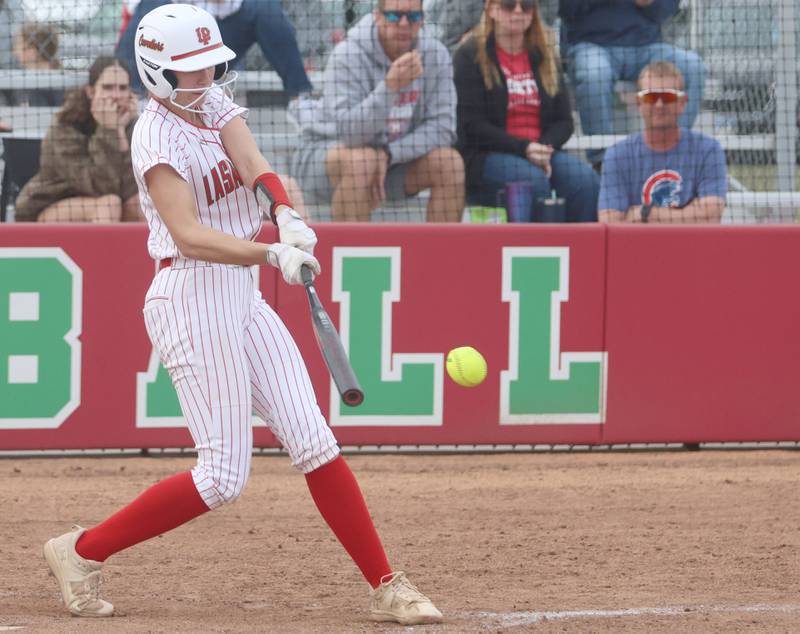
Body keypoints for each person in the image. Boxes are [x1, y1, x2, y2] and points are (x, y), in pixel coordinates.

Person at [42, 5, 443, 626]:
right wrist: (270, 252)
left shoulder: (212, 103)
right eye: (191, 69)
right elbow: (189, 234)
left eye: (210, 64)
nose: (205, 77)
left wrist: (284, 213)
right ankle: (81, 550)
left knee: (314, 441)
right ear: (156, 72)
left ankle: (387, 585)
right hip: (190, 297)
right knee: (223, 477)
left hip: (240, 293)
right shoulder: (154, 135)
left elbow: (254, 165)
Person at [292, 0, 465, 222]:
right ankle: (348, 245)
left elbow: (443, 128)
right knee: (362, 161)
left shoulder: (435, 55)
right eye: (394, 16)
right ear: (378, 16)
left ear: (422, 19)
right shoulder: (348, 54)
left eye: (413, 17)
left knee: (450, 163)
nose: (404, 24)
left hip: (393, 161)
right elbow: (350, 134)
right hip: (326, 156)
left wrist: (389, 153)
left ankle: (440, 247)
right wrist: (390, 88)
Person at [453, 0, 599, 222]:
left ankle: (578, 243)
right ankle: (538, 243)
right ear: (491, 9)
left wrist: (542, 148)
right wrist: (524, 148)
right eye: (508, 5)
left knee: (585, 181)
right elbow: (472, 126)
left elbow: (564, 122)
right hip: (488, 155)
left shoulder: (545, 53)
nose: (518, 11)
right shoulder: (469, 55)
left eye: (527, 5)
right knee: (532, 182)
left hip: (541, 150)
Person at [559, 0, 705, 168]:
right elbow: (566, 9)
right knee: (594, 74)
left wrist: (649, 3)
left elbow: (666, 11)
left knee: (693, 67)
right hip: (591, 46)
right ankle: (603, 162)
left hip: (647, 47)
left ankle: (671, 153)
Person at [14, 56, 142, 222]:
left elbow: (132, 188)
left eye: (123, 88)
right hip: (51, 206)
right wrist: (108, 131)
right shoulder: (65, 126)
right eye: (108, 87)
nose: (116, 95)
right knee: (109, 204)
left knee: (140, 204)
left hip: (108, 200)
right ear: (91, 92)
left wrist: (120, 133)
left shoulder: (131, 125)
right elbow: (99, 186)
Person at [598, 61, 726, 224]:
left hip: (688, 242)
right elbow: (609, 222)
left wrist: (645, 213)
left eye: (667, 97)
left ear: (682, 103)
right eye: (650, 97)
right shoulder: (617, 155)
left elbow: (710, 216)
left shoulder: (708, 149)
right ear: (639, 103)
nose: (659, 105)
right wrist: (689, 213)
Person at [117, 0, 313, 104]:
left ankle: (301, 99)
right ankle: (135, 96)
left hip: (219, 29)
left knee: (267, 10)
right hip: (173, 24)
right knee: (148, 13)